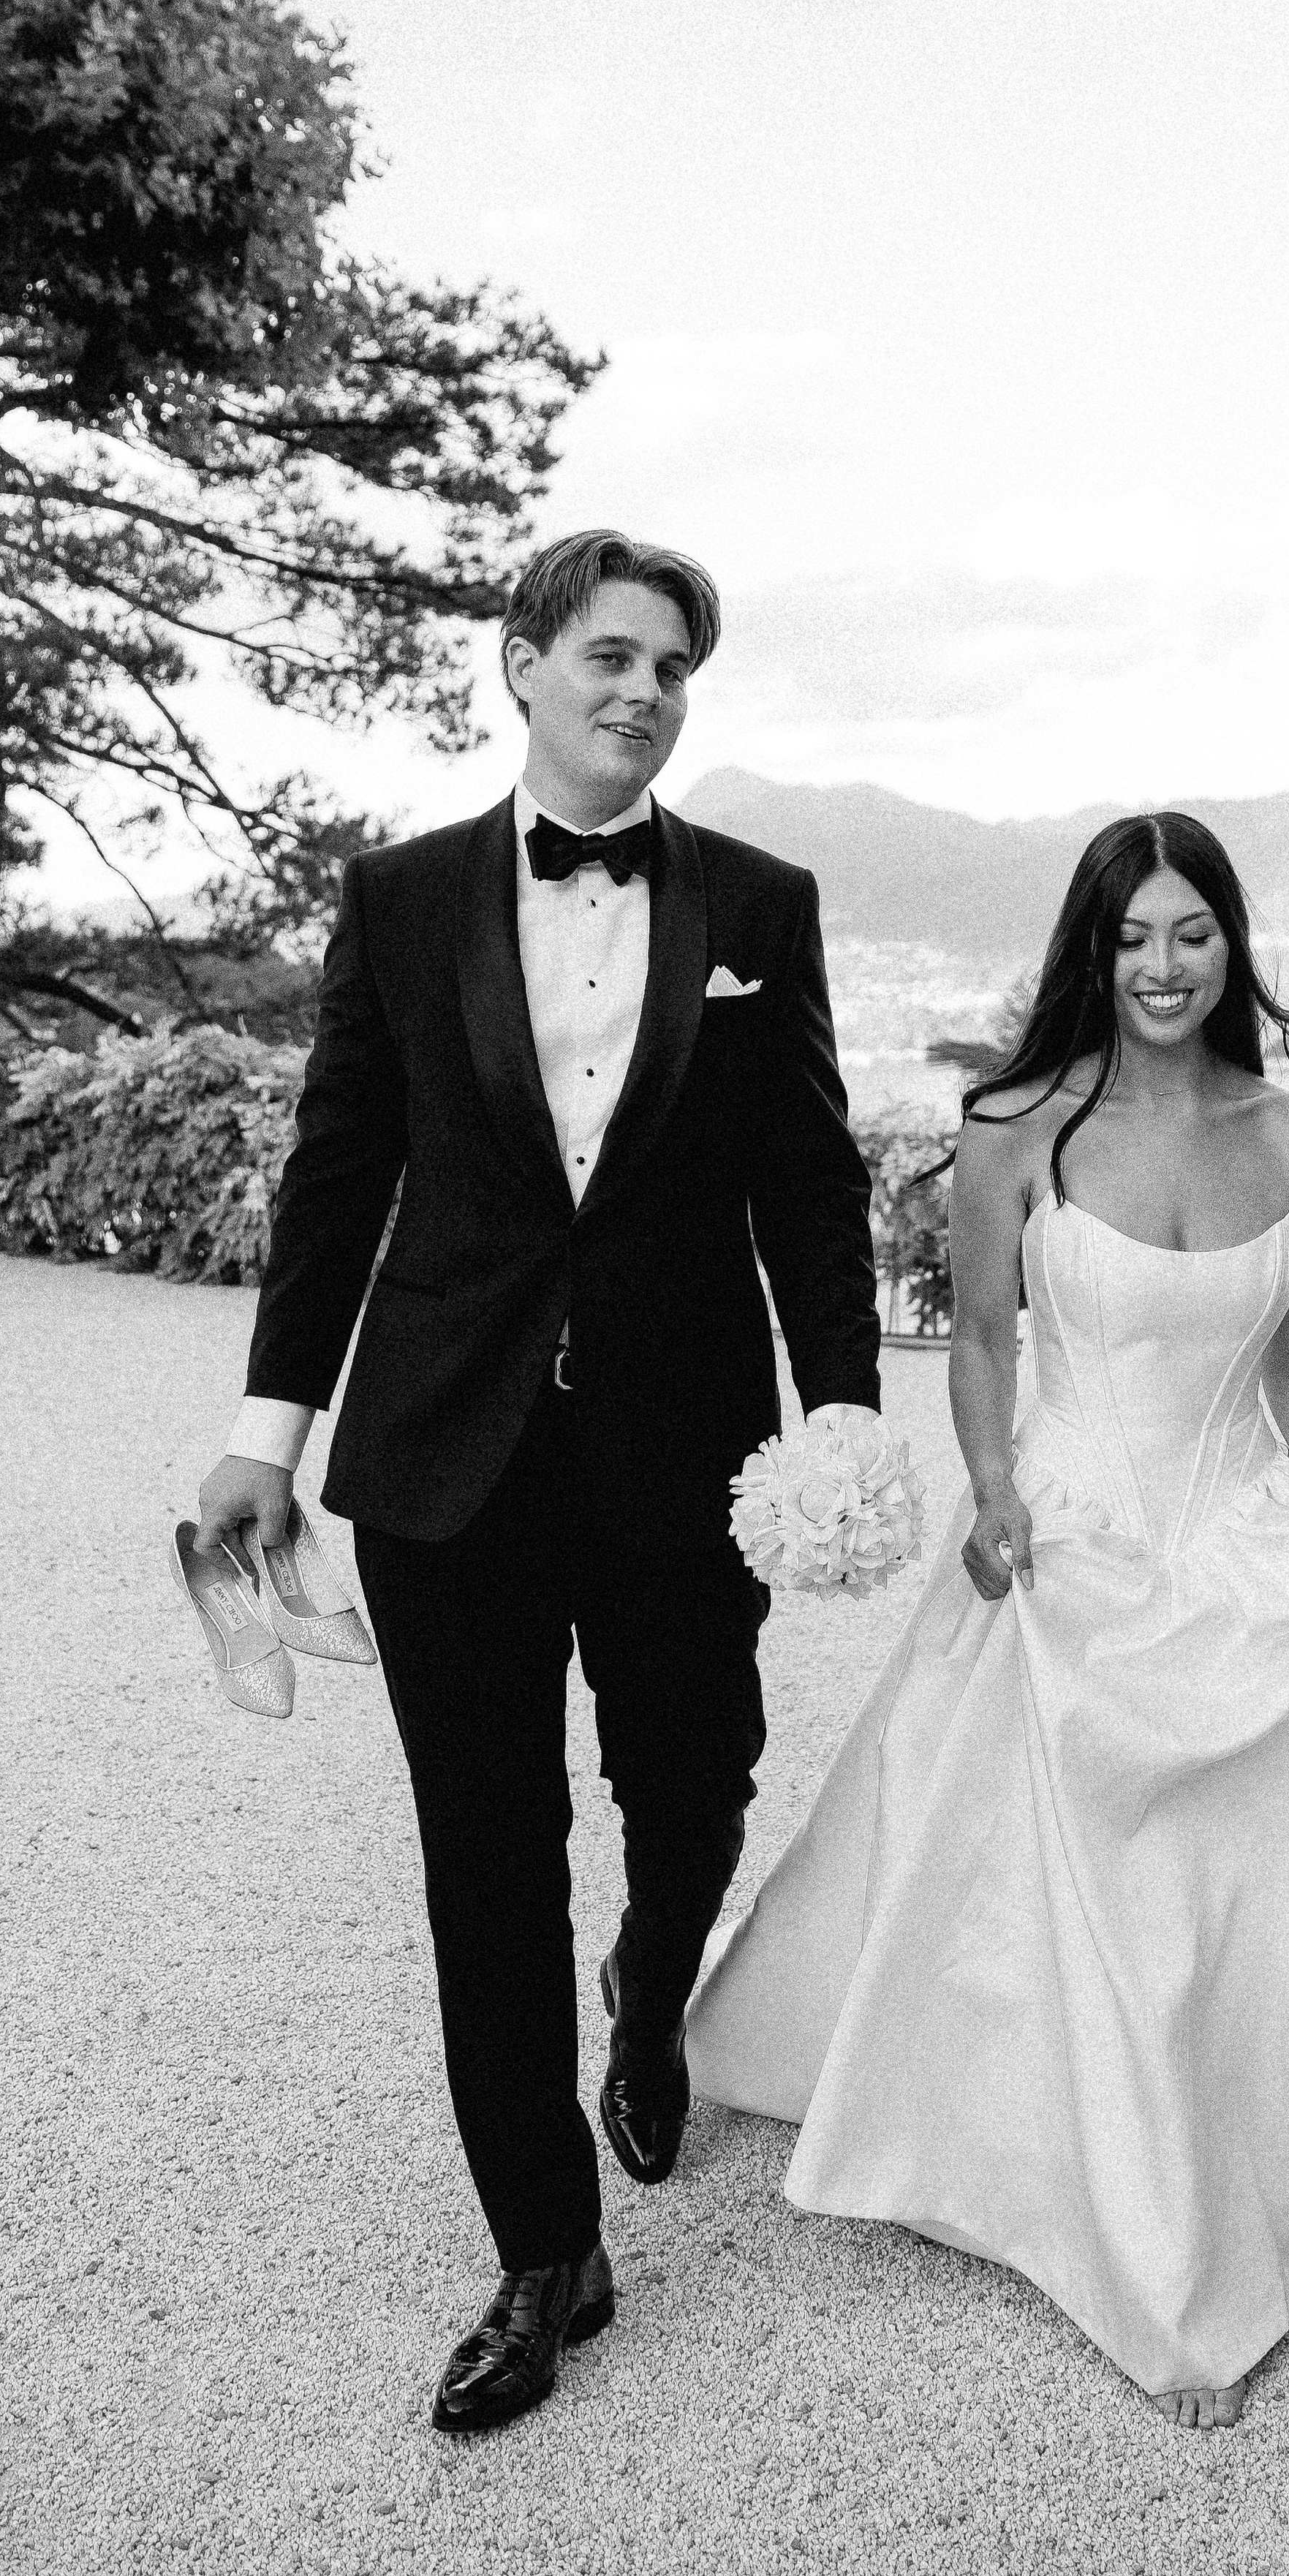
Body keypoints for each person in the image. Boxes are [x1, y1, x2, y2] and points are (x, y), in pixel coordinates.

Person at [687, 811, 1289, 2429]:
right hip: (1071, 1532)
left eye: (1189, 933)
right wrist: (991, 1484)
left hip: (1239, 1526)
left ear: (1229, 943)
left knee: (1266, 1837)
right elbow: (975, 1338)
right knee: (1091, 1878)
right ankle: (1106, 2206)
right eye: (1130, 939)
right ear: (1087, 956)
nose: (1161, 967)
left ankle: (1233, 2168)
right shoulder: (1016, 1127)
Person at [194, 529, 881, 2436]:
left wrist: (838, 1408)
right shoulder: (402, 904)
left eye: (675, 665)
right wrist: (270, 1435)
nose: (647, 689)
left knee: (693, 1783)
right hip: (447, 1459)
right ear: (522, 664)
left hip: (683, 1456)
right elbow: (339, 1176)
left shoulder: (761, 903)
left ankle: (653, 2002)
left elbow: (810, 1190)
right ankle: (545, 2249)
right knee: (484, 1861)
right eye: (611, 654)